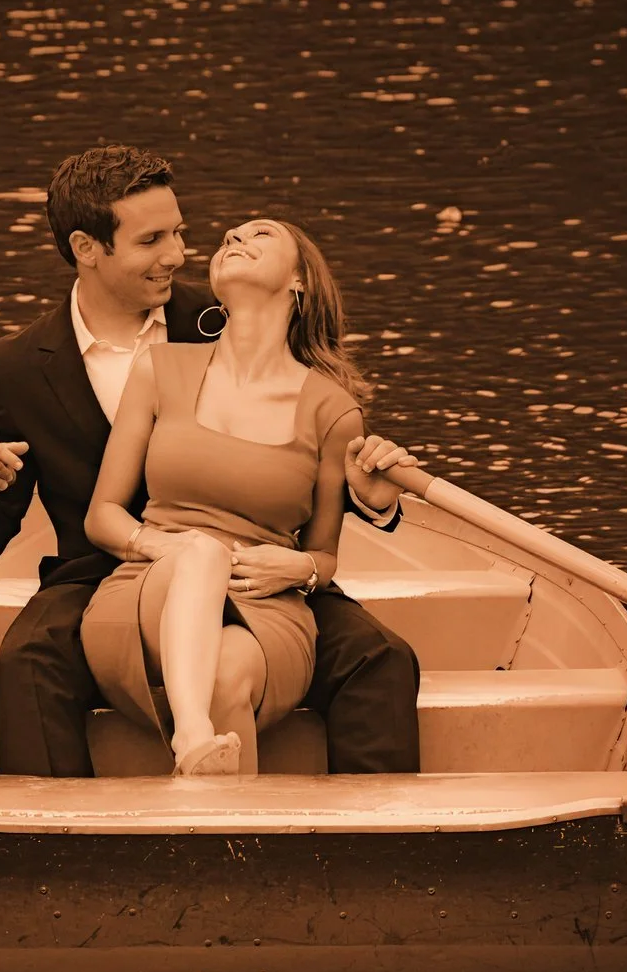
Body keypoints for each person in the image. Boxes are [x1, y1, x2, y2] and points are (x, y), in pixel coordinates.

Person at [0, 145, 423, 777]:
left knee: (381, 656)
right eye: (151, 240)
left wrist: (370, 503)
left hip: (256, 563)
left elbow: (312, 453)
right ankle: (60, 859)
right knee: (19, 674)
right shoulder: (16, 368)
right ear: (88, 247)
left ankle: (378, 848)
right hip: (100, 572)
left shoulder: (222, 314)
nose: (177, 254)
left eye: (179, 232)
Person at [80, 216, 419, 774]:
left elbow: (324, 557)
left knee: (226, 676)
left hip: (264, 606)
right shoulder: (160, 369)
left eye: (260, 235)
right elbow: (103, 515)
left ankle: (228, 839)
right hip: (147, 587)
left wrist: (303, 567)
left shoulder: (332, 410)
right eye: (229, 237)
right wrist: (175, 548)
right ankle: (191, 739)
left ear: (300, 280)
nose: (235, 239)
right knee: (202, 552)